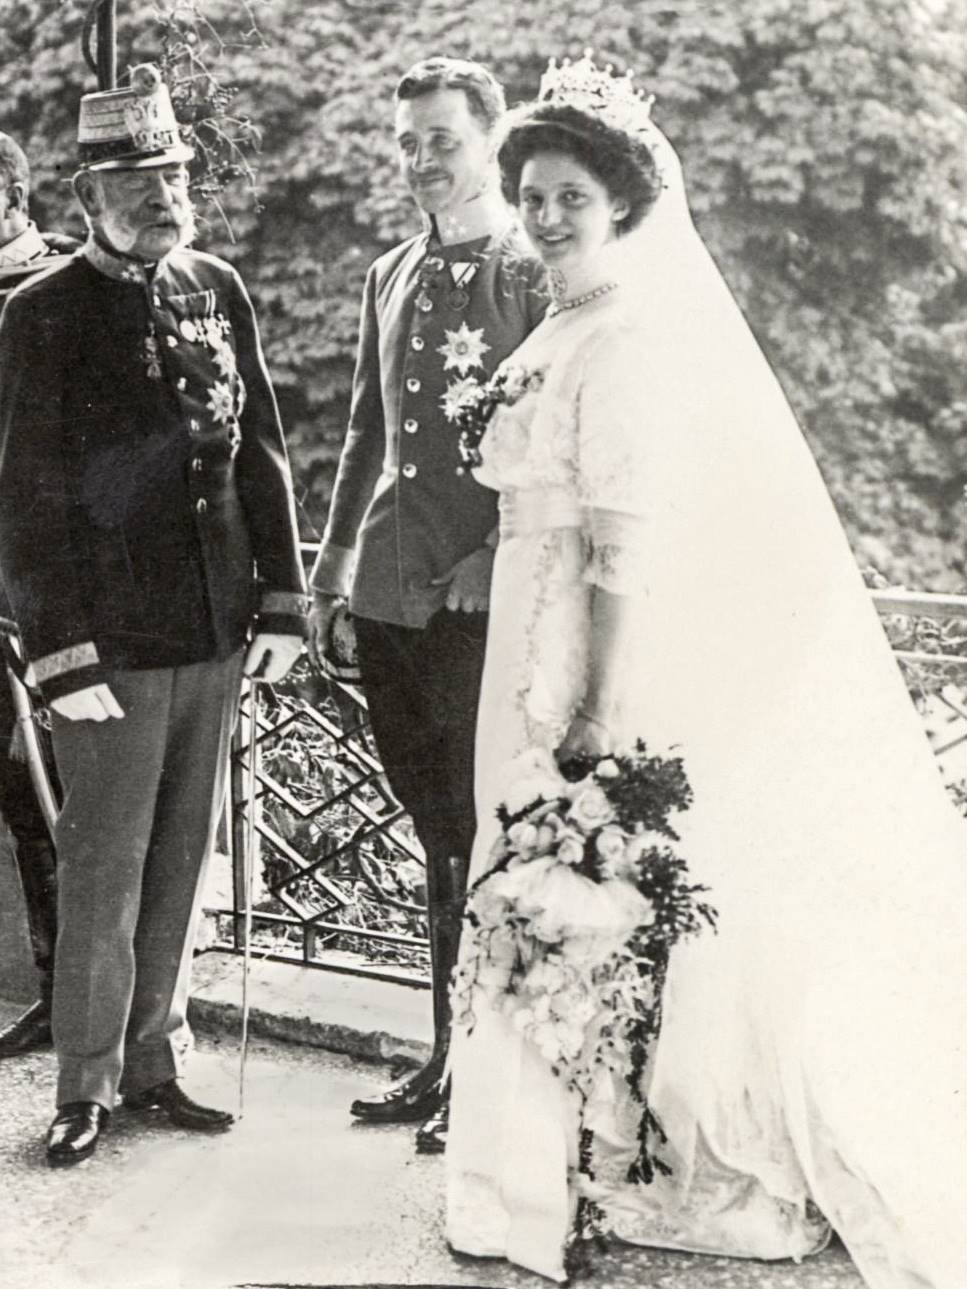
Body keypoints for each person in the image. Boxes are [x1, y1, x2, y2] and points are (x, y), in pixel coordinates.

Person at [445, 53, 967, 1288]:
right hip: (519, 611)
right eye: (534, 194)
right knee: (521, 869)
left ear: (624, 203)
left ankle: (561, 1172)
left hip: (567, 640)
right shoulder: (559, 323)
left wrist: (594, 701)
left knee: (560, 872)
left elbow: (622, 542)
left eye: (574, 196)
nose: (548, 214)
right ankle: (535, 1165)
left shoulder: (625, 335)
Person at [0, 65, 308, 1167]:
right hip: (110, 647)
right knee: (103, 864)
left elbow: (260, 450)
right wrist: (60, 653)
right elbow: (25, 498)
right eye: (135, 184)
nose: (161, 198)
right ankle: (84, 1083)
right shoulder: (38, 314)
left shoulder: (216, 286)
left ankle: (154, 1063)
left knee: (181, 854)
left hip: (214, 626)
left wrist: (281, 601)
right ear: (88, 198)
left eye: (171, 178)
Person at [307, 56, 546, 1153]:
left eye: (441, 139)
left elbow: (554, 438)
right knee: (433, 832)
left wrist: (494, 551)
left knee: (484, 832)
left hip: (480, 604)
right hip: (391, 598)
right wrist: (330, 570)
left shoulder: (530, 270)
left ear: (491, 138)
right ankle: (445, 1056)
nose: (420, 160)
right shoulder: (390, 271)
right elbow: (366, 430)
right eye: (405, 142)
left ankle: (488, 1074)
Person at [0, 132, 78, 1060]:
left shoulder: (62, 281)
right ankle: (52, 988)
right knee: (18, 796)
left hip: (47, 582)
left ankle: (92, 998)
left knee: (62, 791)